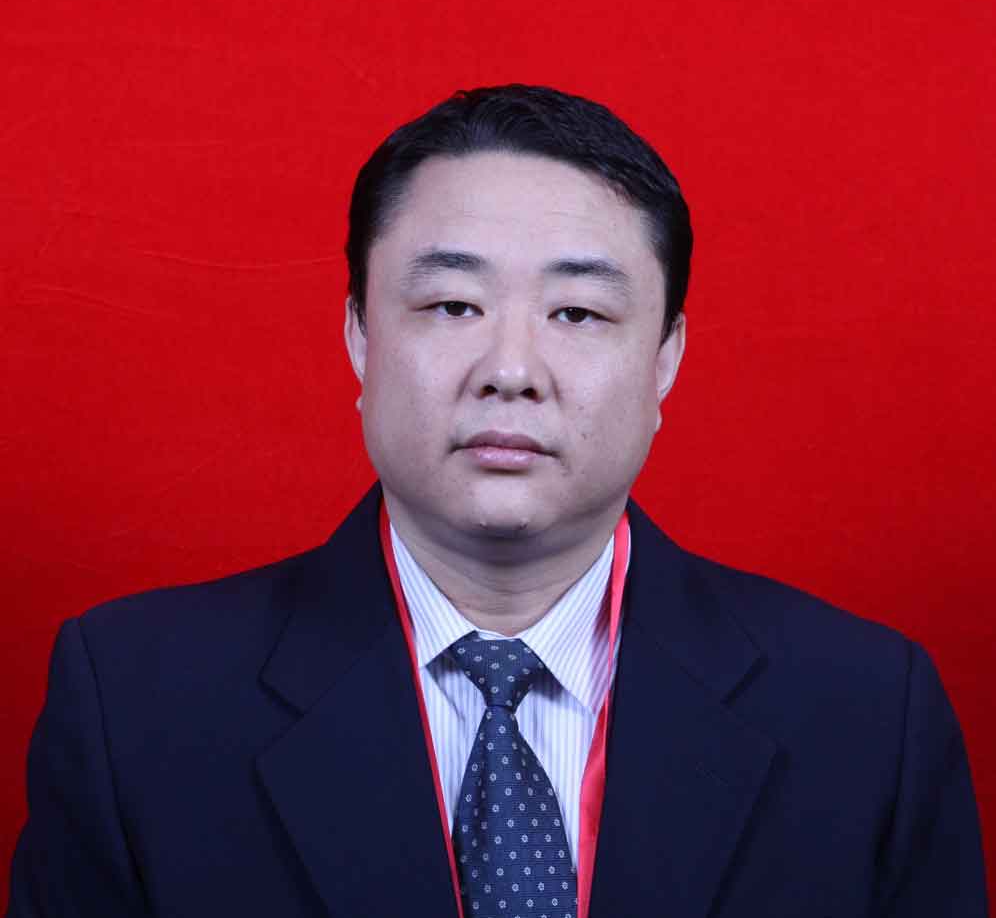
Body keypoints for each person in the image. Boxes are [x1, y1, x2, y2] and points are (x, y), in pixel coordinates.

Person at [8, 85, 987, 917]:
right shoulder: (134, 706)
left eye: (578, 313)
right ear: (359, 336)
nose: (511, 369)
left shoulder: (869, 716)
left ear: (666, 359)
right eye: (452, 305)